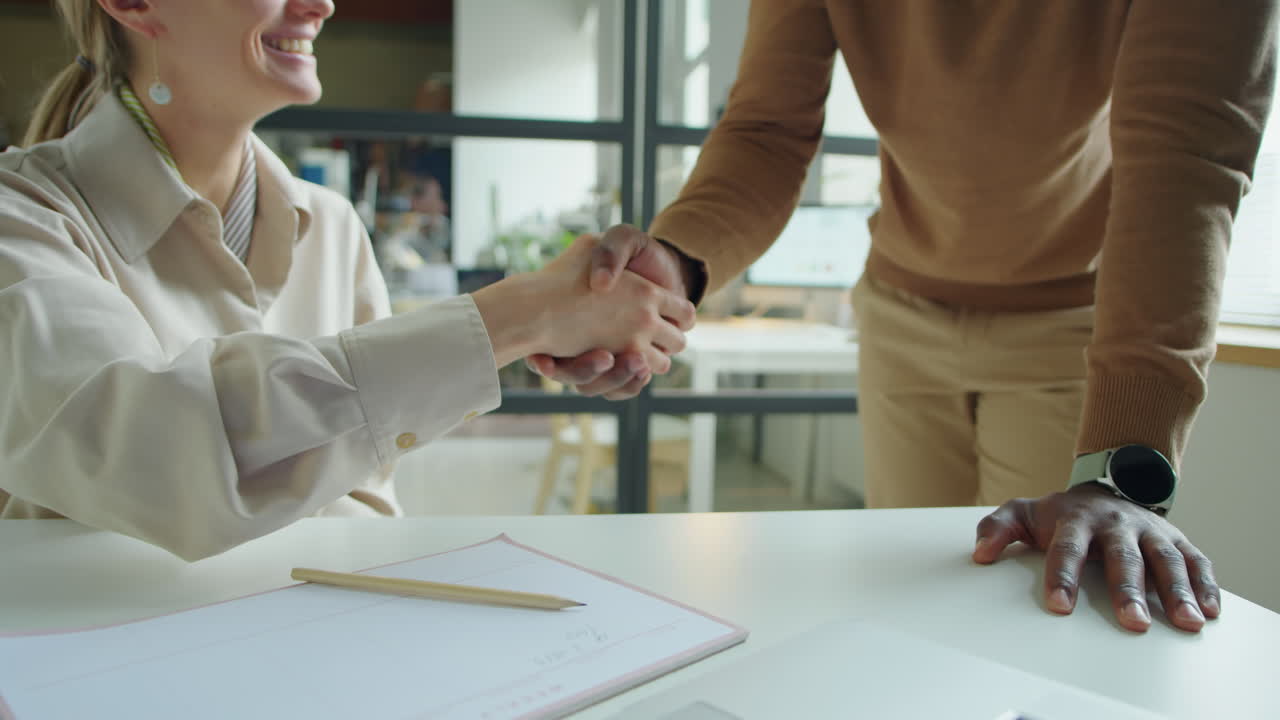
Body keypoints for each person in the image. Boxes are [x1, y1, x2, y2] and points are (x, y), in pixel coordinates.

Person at [531, 1, 1277, 633]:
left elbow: (1185, 160)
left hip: (1072, 327)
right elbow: (766, 129)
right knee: (918, 614)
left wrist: (1123, 471)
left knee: (1047, 618)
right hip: (900, 317)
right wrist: (679, 263)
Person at [0, 0, 695, 561]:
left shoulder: (332, 226)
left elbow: (364, 502)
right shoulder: (24, 221)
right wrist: (517, 316)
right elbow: (157, 461)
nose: (321, 5)